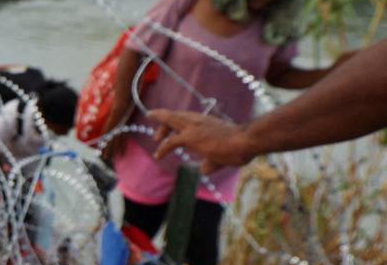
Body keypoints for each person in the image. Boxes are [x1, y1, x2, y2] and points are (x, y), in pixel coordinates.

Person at [101, 0, 352, 265]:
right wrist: (117, 123)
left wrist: (335, 71)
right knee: (135, 243)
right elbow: (135, 53)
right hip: (153, 143)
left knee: (201, 254)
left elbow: (278, 73)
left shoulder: (274, 21)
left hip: (216, 155)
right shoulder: (186, 0)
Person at [149, 38, 386, 173]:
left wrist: (242, 139)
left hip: (220, 144)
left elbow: (281, 74)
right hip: (171, 140)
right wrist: (242, 139)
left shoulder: (276, 24)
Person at [0, 81, 78, 176]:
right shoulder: (12, 115)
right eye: (64, 128)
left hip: (23, 165)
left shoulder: (48, 126)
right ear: (45, 115)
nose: (66, 134)